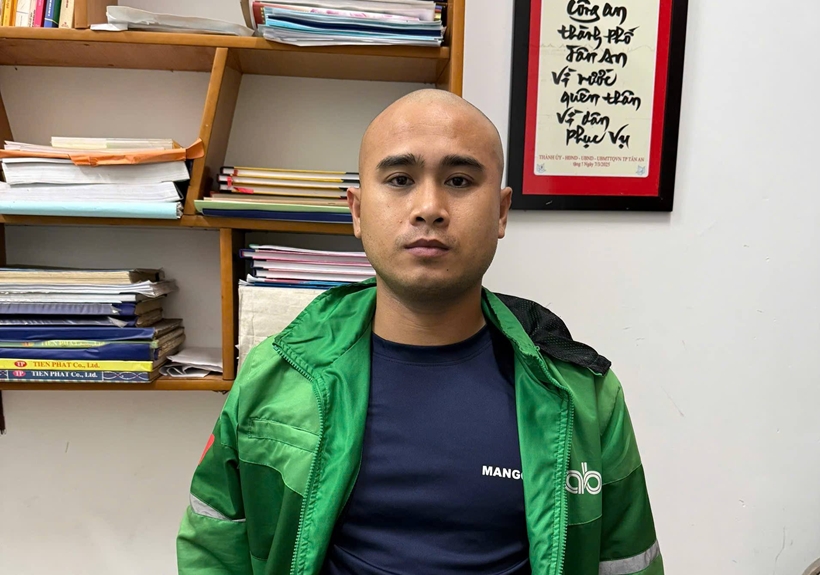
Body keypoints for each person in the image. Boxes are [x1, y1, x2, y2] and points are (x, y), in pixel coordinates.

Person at [177, 89, 663, 575]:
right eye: (400, 179)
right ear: (357, 210)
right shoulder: (274, 377)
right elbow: (214, 550)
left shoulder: (583, 397)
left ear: (500, 212)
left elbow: (628, 563)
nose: (429, 207)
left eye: (459, 180)